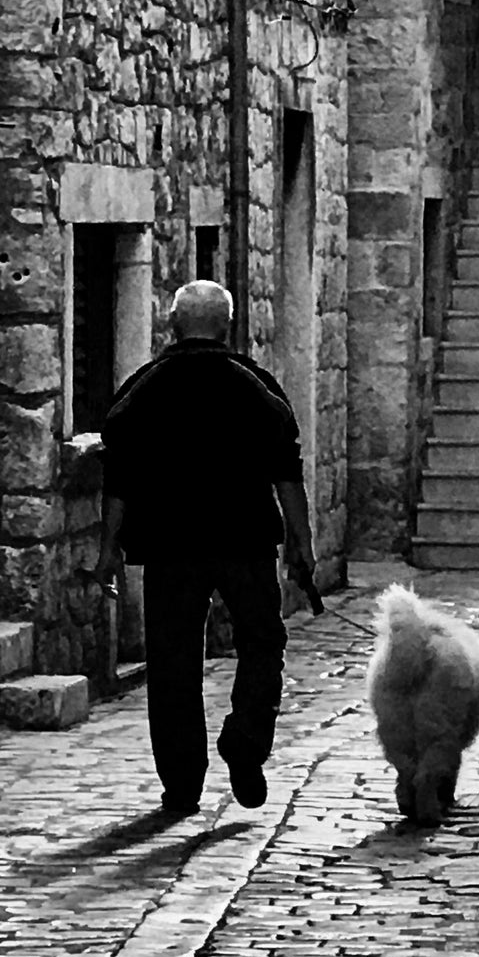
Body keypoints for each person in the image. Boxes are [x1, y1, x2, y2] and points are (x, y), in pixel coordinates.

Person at [96, 279, 316, 816]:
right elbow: (287, 472)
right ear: (228, 327)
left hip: (172, 546)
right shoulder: (258, 389)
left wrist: (109, 549)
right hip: (247, 542)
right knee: (263, 645)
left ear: (173, 326)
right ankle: (245, 742)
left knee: (172, 662)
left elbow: (119, 477)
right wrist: (302, 546)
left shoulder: (143, 390)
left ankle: (181, 782)